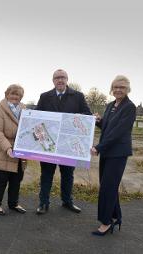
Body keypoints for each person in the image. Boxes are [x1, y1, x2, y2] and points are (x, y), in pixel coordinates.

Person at [35, 69, 91, 214]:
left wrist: (75, 119)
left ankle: (67, 202)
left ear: (67, 79)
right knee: (46, 174)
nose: (60, 80)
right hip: (49, 144)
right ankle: (43, 203)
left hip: (69, 144)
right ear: (53, 81)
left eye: (63, 77)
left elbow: (87, 115)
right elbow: (36, 116)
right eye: (57, 78)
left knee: (68, 175)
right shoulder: (45, 96)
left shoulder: (78, 96)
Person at [90, 75, 136, 236]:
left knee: (108, 187)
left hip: (118, 153)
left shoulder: (130, 107)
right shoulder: (110, 105)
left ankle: (106, 222)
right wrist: (98, 121)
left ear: (127, 89)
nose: (118, 90)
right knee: (108, 186)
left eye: (122, 87)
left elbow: (118, 132)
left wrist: (99, 147)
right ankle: (117, 217)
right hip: (108, 152)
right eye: (115, 87)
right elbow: (108, 127)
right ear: (111, 88)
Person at [0, 84, 27, 215]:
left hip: (19, 152)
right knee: (0, 180)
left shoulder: (25, 110)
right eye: (13, 94)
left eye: (18, 95)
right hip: (2, 151)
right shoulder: (0, 111)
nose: (15, 97)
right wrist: (8, 147)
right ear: (7, 95)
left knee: (16, 180)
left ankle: (13, 203)